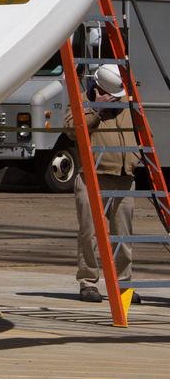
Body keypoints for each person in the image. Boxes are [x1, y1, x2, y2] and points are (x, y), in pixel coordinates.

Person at [64, 63, 141, 304]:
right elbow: (71, 130)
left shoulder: (128, 103)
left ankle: (123, 283)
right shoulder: (81, 104)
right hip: (93, 178)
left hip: (124, 177)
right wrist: (97, 111)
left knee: (123, 235)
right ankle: (88, 282)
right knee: (90, 233)